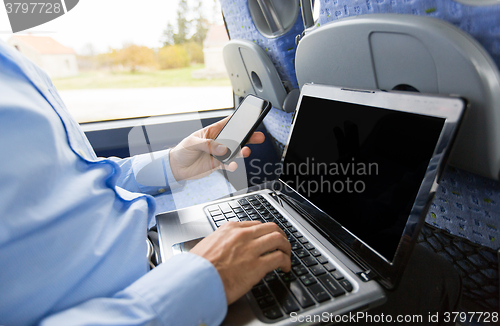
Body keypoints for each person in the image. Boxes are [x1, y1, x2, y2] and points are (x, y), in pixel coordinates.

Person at [0, 40, 461, 326]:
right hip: (152, 301)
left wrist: (169, 166)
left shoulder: (13, 61)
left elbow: (75, 183)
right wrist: (201, 279)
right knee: (429, 274)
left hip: (158, 250)